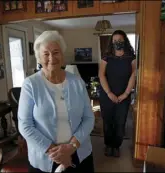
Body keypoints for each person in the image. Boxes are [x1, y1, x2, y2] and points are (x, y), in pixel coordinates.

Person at [18, 31, 95, 173]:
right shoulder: (30, 84)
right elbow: (25, 125)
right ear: (39, 58)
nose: (51, 58)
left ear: (62, 55)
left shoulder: (77, 82)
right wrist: (56, 153)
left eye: (56, 52)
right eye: (46, 54)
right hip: (45, 157)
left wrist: (71, 147)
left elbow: (89, 118)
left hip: (79, 153)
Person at [98, 30, 136, 157]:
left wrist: (125, 94)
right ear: (111, 42)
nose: (117, 43)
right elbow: (101, 75)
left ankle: (116, 146)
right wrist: (109, 93)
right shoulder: (106, 57)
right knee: (108, 121)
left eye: (120, 40)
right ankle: (108, 145)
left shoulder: (131, 57)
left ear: (125, 40)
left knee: (120, 122)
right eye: (114, 41)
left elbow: (133, 76)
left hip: (123, 96)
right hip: (107, 94)